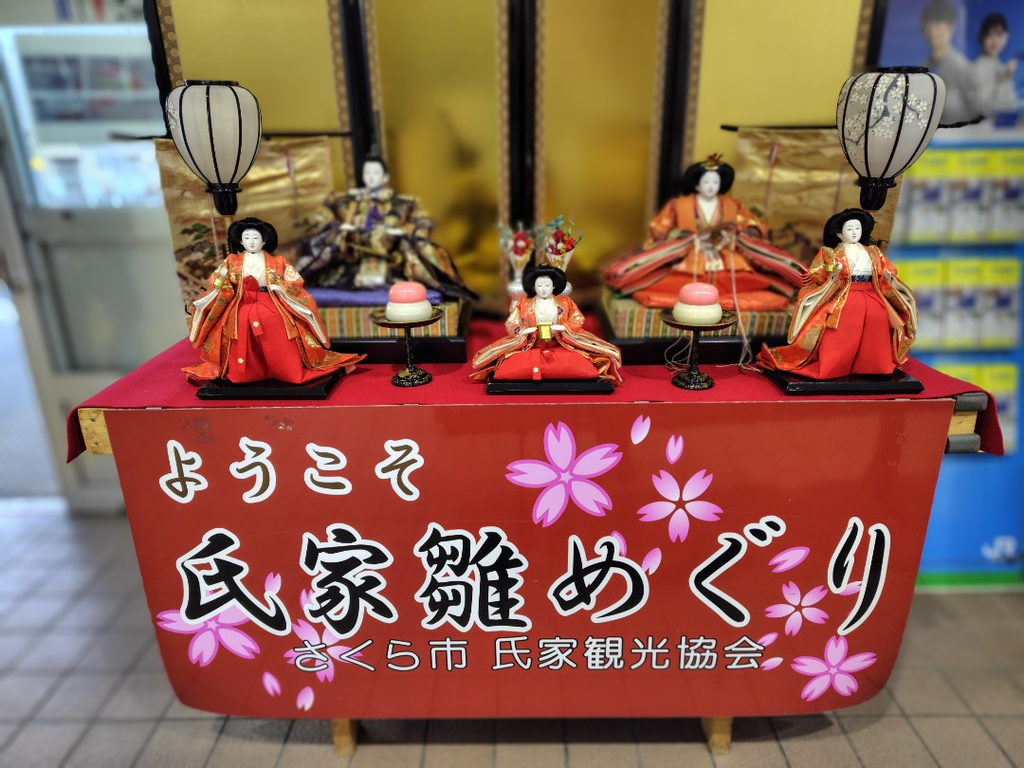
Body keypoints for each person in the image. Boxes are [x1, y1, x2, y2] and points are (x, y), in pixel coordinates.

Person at [600, 155, 805, 311]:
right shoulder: (679, 205)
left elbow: (753, 224)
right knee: (662, 284)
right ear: (697, 184)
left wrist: (744, 232)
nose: (711, 186)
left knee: (754, 282)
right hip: (690, 258)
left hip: (724, 258)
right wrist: (682, 236)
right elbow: (659, 229)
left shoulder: (732, 205)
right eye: (706, 182)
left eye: (715, 182)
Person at [184, 217, 364, 384]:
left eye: (256, 237)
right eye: (247, 238)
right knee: (237, 327)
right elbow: (218, 284)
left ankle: (285, 369)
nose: (251, 241)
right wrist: (222, 280)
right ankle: (247, 373)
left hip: (271, 301)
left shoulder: (278, 261)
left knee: (278, 325)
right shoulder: (232, 261)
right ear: (241, 241)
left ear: (264, 241)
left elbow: (294, 282)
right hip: (241, 303)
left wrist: (282, 289)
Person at [756, 209, 917, 379]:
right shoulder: (830, 253)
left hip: (872, 294)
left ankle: (874, 366)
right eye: (849, 229)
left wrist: (888, 275)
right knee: (843, 327)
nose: (854, 232)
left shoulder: (873, 252)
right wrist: (833, 272)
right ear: (839, 234)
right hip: (845, 295)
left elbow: (888, 271)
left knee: (877, 324)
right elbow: (816, 274)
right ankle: (835, 366)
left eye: (858, 228)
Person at [294, 156, 474, 301]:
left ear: (385, 177)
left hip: (391, 266)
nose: (371, 176)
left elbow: (423, 222)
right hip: (353, 265)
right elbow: (319, 218)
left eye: (376, 172)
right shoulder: (346, 202)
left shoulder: (404, 204)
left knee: (405, 283)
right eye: (367, 172)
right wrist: (339, 228)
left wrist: (404, 232)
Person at [471, 264, 622, 383]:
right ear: (534, 287)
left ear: (553, 286)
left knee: (580, 363)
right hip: (532, 344)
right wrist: (523, 331)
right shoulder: (525, 303)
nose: (543, 289)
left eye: (547, 285)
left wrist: (564, 327)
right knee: (510, 365)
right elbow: (512, 322)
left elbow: (577, 318)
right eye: (540, 285)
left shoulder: (565, 302)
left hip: (560, 343)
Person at [920, 0, 982, 124]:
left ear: (951, 27)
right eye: (927, 27)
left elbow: (977, 114)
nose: (932, 32)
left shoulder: (963, 68)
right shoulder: (923, 67)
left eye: (937, 25)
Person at [973, 13, 1019, 117]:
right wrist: (1005, 79)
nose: (994, 41)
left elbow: (1010, 103)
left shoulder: (1001, 67)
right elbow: (988, 110)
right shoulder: (978, 68)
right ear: (982, 37)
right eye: (989, 35)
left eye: (999, 35)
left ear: (1006, 37)